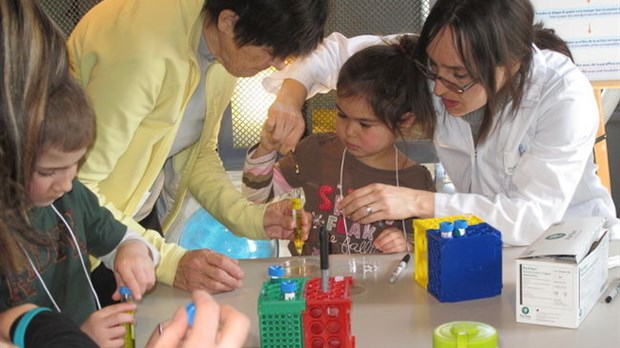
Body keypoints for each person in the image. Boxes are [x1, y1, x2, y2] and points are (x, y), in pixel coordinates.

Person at [261, 0, 619, 246]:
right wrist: (290, 99)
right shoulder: (441, 60)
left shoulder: (563, 97)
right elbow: (334, 54)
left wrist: (420, 203)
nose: (436, 86)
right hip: (489, 251)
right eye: (432, 67)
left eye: (457, 75)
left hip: (571, 249)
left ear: (511, 62)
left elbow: (531, 217)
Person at [67, 0, 326, 298]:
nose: (279, 65)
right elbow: (77, 187)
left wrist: (253, 217)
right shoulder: (141, 53)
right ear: (228, 21)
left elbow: (198, 153)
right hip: (81, 236)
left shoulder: (221, 45)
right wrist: (169, 262)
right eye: (272, 51)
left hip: (133, 224)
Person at [0, 1, 159, 346]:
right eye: (49, 171)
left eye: (76, 166)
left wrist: (133, 252)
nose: (68, 182)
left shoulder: (68, 195)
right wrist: (77, 338)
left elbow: (121, 238)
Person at [242, 36, 435, 255]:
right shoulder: (316, 150)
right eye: (342, 115)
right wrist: (266, 150)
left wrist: (406, 246)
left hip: (377, 288)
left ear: (405, 120)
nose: (349, 131)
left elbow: (433, 248)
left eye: (365, 124)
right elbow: (255, 199)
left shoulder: (416, 181)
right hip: (312, 283)